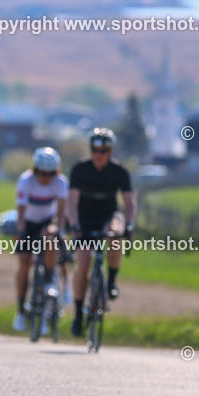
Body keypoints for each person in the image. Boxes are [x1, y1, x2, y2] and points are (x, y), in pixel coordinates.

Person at [67, 128, 137, 337]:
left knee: (116, 235)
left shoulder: (120, 171)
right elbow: (72, 201)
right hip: (84, 218)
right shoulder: (80, 169)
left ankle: (111, 281)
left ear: (110, 151)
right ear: (91, 150)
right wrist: (74, 225)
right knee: (83, 263)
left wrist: (130, 225)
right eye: (95, 149)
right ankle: (79, 314)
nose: (99, 154)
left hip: (108, 215)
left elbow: (129, 202)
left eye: (104, 150)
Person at [12, 147, 68, 336]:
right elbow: (20, 211)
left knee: (51, 238)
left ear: (56, 172)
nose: (45, 177)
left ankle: (49, 280)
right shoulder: (26, 180)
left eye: (50, 174)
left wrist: (57, 229)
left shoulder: (60, 182)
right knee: (24, 263)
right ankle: (20, 310)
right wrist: (20, 230)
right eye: (42, 173)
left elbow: (60, 213)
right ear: (35, 170)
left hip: (47, 221)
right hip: (28, 222)